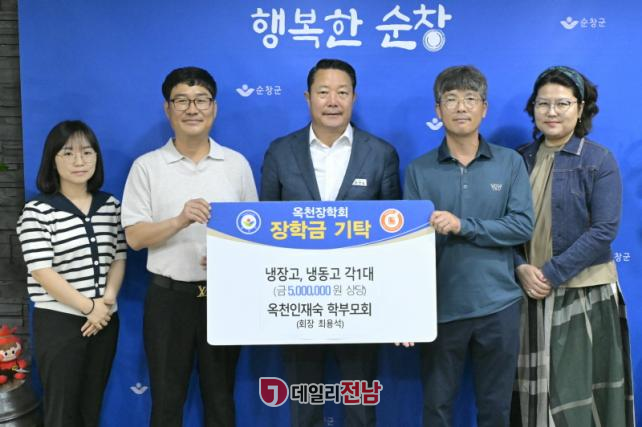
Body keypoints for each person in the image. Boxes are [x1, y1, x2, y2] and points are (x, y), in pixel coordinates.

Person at [261, 58, 400, 426]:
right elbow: (264, 229)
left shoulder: (380, 154)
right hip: (297, 300)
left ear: (354, 97)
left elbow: (395, 236)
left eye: (342, 92)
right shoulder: (280, 152)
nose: (333, 101)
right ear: (308, 97)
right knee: (304, 406)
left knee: (359, 406)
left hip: (359, 299)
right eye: (323, 92)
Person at [121, 66, 258, 426]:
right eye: (181, 100)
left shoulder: (236, 164)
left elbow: (254, 235)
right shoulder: (147, 167)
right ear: (167, 109)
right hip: (168, 300)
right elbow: (134, 238)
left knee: (221, 400)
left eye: (201, 100)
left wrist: (232, 260)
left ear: (214, 107)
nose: (192, 109)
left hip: (224, 297)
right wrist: (179, 220)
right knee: (167, 402)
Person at [402, 65, 533, 427]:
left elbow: (522, 226)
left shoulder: (510, 163)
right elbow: (408, 249)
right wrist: (406, 311)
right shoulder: (418, 170)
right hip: (441, 309)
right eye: (451, 99)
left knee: (495, 410)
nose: (461, 107)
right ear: (438, 109)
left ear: (484, 108)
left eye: (470, 99)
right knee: (437, 409)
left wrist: (463, 226)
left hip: (500, 305)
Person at [511, 66, 635, 427]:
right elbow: (504, 227)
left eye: (562, 103)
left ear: (580, 109)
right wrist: (520, 267)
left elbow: (604, 230)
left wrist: (550, 273)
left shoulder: (599, 160)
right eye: (543, 103)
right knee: (531, 400)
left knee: (578, 400)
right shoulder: (518, 159)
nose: (552, 111)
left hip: (583, 291)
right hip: (527, 292)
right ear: (533, 108)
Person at [16, 120, 127, 427]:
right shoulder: (38, 210)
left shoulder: (110, 205)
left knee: (91, 408)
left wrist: (106, 302)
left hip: (105, 319)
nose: (79, 161)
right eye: (68, 153)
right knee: (61, 411)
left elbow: (119, 257)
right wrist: (88, 307)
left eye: (87, 152)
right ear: (52, 159)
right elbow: (41, 271)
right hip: (60, 321)